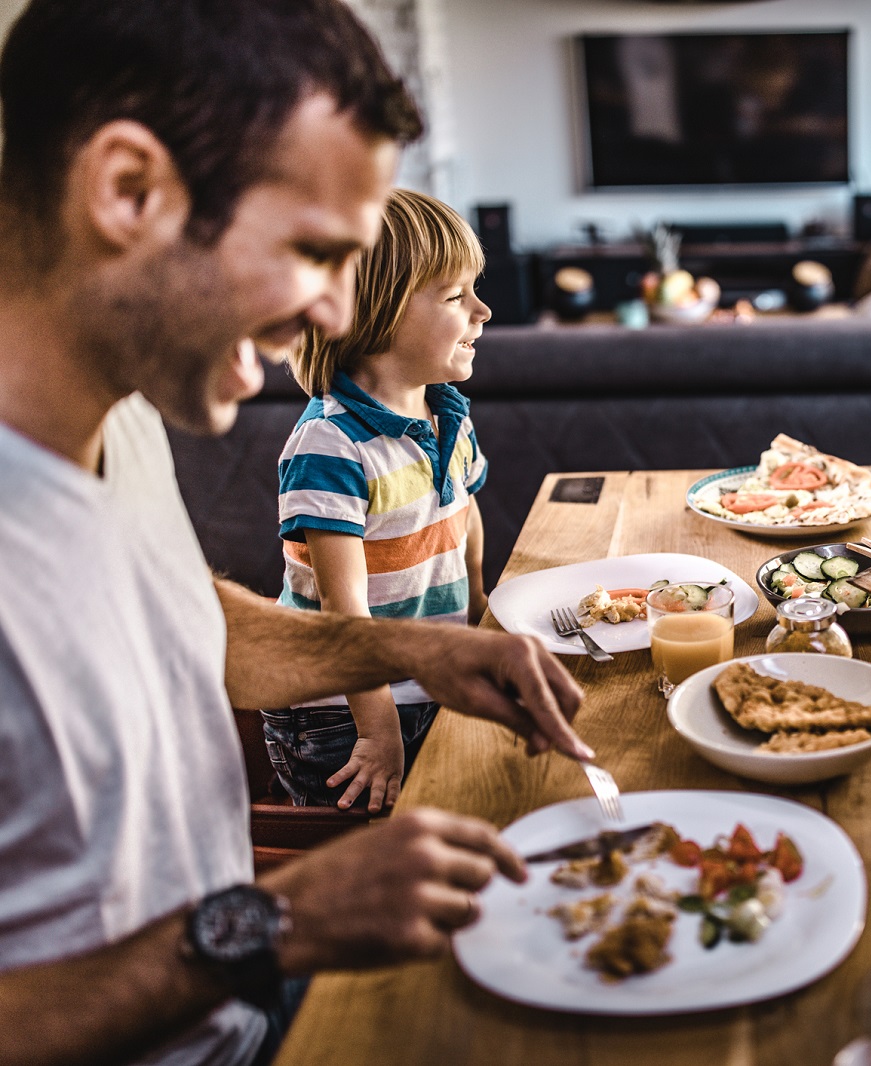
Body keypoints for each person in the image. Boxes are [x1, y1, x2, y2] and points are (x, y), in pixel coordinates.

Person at [0, 3, 594, 1064]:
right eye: (313, 252)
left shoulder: (120, 412)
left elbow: (175, 618)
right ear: (127, 191)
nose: (333, 315)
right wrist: (277, 923)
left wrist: (413, 645)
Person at [266, 189, 493, 812]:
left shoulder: (445, 411)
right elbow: (345, 611)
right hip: (343, 715)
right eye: (455, 297)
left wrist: (477, 610)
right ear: (378, 313)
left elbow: (462, 513)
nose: (484, 311)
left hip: (425, 682)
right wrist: (378, 729)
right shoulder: (331, 444)